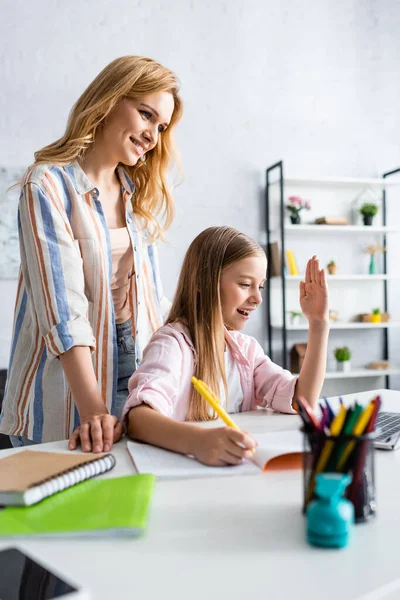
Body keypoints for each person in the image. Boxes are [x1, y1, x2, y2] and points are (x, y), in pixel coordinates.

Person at [0, 56, 183, 453]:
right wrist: (93, 409)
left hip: (135, 365)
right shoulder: (47, 184)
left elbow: (153, 304)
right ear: (110, 99)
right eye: (146, 114)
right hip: (67, 386)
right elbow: (64, 312)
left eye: (161, 126)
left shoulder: (137, 196)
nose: (153, 135)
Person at [124, 226, 329, 466]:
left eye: (260, 286)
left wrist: (318, 323)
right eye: (245, 284)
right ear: (204, 283)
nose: (257, 298)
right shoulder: (172, 345)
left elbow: (302, 400)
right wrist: (198, 441)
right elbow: (138, 419)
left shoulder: (246, 350)